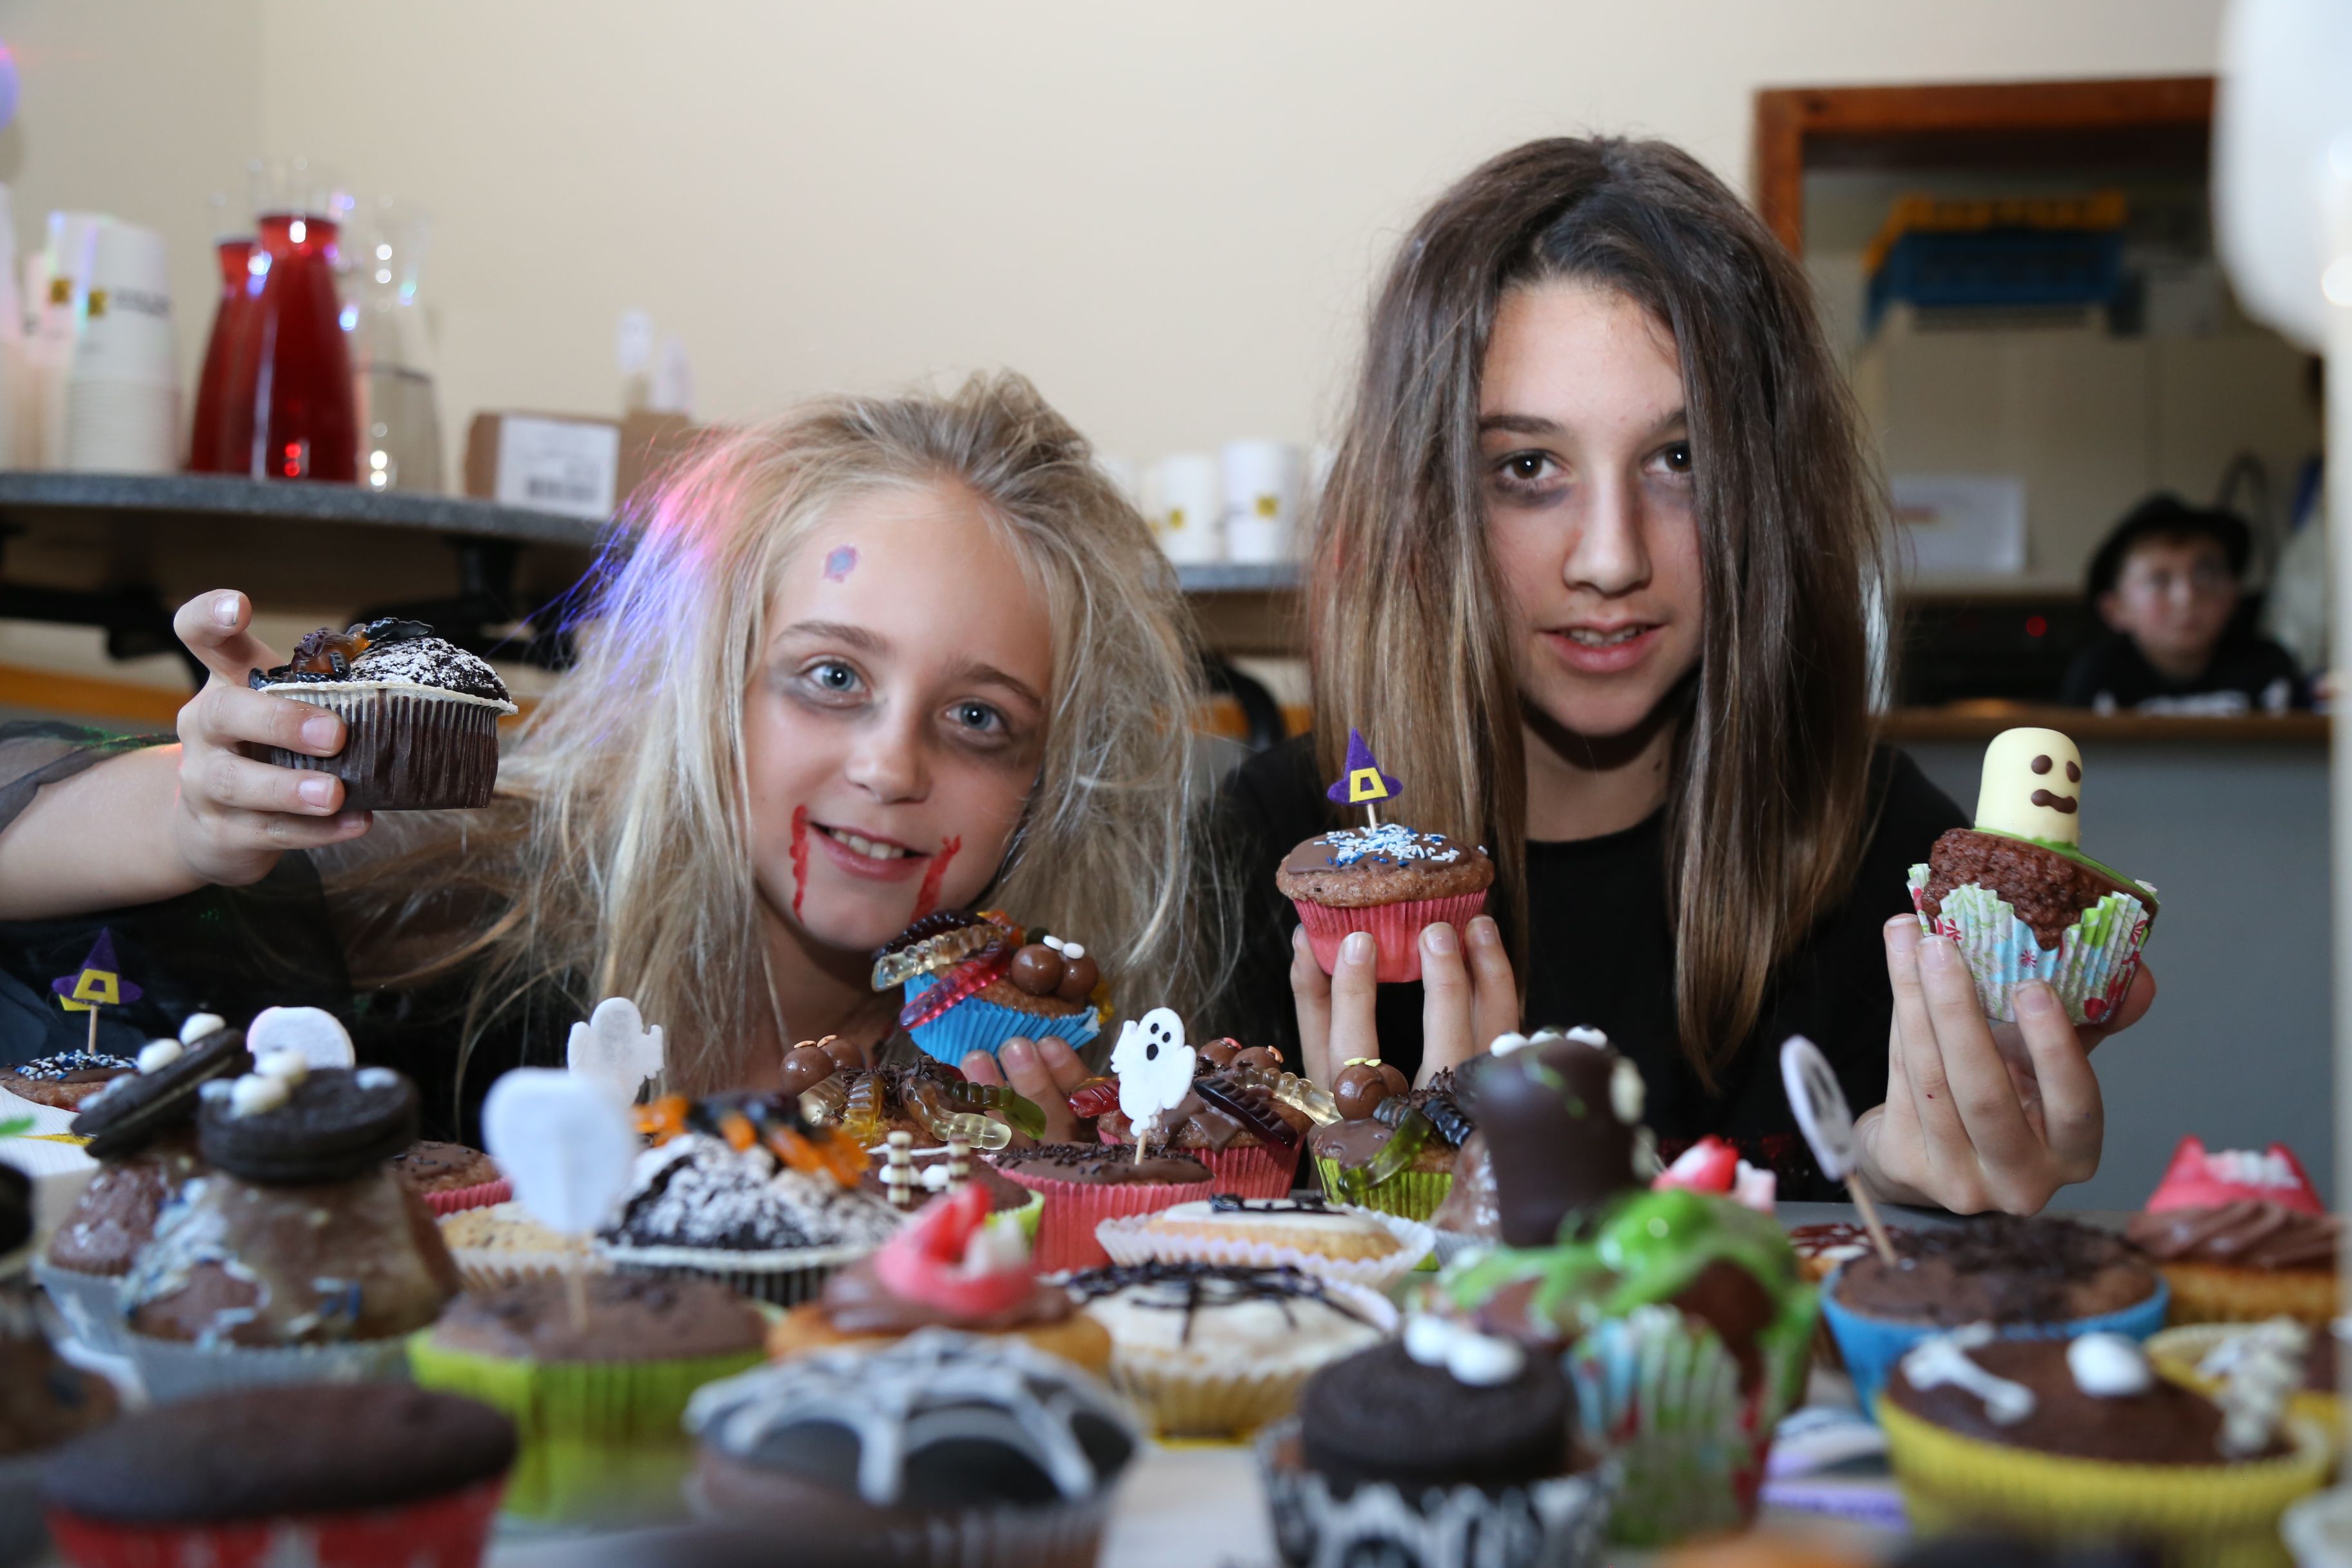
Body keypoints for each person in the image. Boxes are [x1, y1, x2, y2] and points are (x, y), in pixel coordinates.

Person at [1207, 137, 2155, 1214]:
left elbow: (1892, 1217)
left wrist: (1897, 1170)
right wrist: (1379, 1197)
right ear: (1423, 505)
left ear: (1765, 494)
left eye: (1680, 459)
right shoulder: (1267, 851)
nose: (1611, 559)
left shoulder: (1883, 852)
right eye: (1527, 467)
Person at [0, 374, 1206, 1142]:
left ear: (1048, 780)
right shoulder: (479, 913)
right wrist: (185, 821)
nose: (892, 768)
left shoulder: (1040, 1056)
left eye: (979, 719)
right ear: (707, 685)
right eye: (832, 678)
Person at [2060, 493, 2308, 715]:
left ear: (2233, 594)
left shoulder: (2269, 666)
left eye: (2206, 575)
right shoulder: (2097, 676)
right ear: (2115, 609)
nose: (2187, 596)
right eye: (2159, 580)